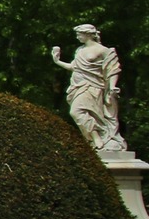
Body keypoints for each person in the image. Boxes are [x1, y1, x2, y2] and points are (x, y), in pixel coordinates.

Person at [51, 24, 127, 152]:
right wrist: (57, 61)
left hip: (93, 86)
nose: (77, 37)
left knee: (77, 112)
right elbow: (74, 67)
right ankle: (95, 137)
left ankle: (98, 137)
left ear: (88, 34)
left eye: (79, 34)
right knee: (79, 112)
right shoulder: (80, 50)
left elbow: (112, 69)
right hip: (78, 85)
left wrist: (113, 86)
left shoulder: (103, 50)